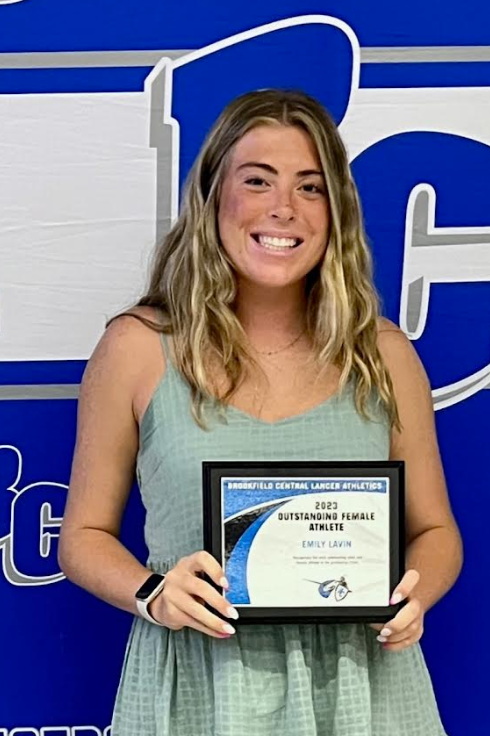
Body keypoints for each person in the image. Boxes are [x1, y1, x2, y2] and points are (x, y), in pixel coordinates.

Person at [58, 88, 463, 736]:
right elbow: (81, 537)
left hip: (363, 693)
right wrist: (153, 594)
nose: (284, 207)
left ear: (336, 210)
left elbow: (436, 531)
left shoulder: (383, 354)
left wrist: (416, 593)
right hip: (198, 688)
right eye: (257, 180)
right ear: (213, 195)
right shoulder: (137, 348)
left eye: (310, 187)